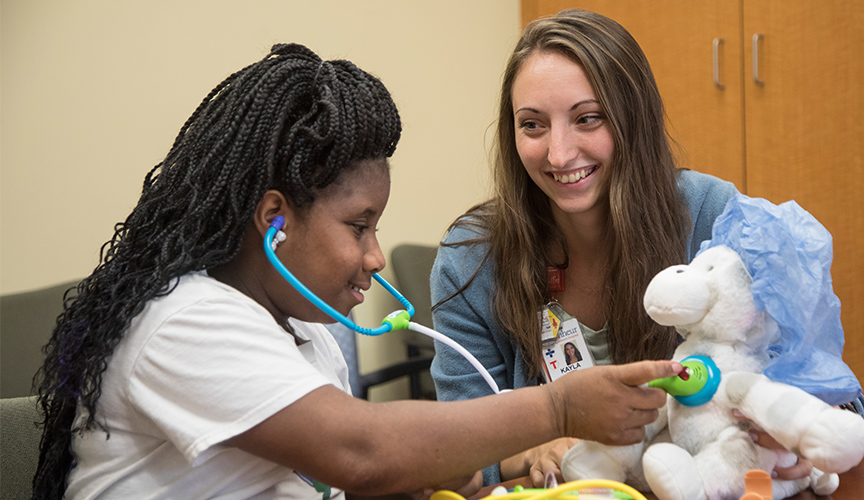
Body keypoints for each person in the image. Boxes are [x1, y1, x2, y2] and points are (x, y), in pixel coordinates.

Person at [31, 43, 684, 500]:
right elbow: (361, 453)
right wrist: (561, 405)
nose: (376, 256)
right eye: (359, 226)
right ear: (275, 221)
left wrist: (418, 482)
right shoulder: (184, 321)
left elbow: (336, 482)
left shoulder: (307, 334)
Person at [429, 9, 814, 488]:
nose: (559, 154)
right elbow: (453, 450)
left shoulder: (715, 217)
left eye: (587, 119)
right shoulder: (472, 258)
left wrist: (792, 434)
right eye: (533, 125)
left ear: (634, 118)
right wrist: (532, 448)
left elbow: (823, 386)